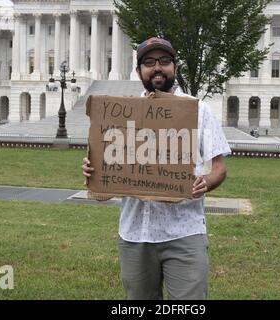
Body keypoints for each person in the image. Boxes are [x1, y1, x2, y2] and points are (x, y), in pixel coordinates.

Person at [82, 37, 231, 300]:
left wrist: (205, 181)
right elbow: (106, 188)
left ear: (175, 67)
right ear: (138, 71)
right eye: (149, 62)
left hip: (184, 232)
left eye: (164, 61)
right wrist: (96, 175)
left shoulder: (199, 110)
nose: (157, 68)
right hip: (135, 233)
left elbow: (219, 168)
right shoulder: (120, 114)